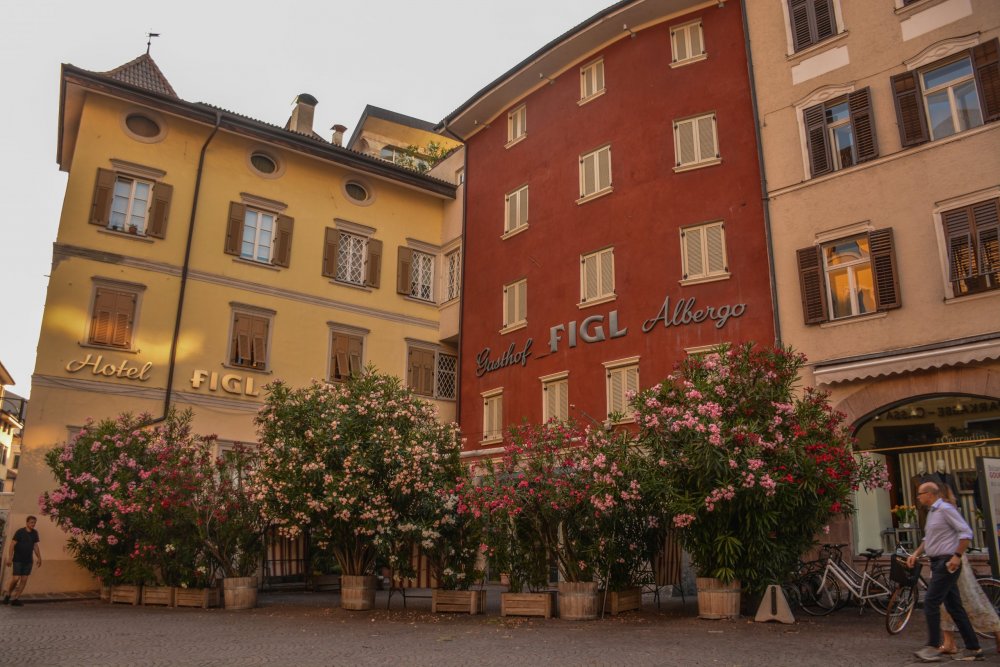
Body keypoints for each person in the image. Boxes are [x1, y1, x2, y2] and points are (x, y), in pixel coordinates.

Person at [907, 482, 983, 662]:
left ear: (930, 494)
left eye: (920, 494)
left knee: (931, 602)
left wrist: (957, 556)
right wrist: (916, 553)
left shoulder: (945, 509)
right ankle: (973, 647)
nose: (918, 497)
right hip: (937, 563)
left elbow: (966, 533)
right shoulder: (932, 512)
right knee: (954, 606)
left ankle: (932, 647)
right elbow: (929, 538)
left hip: (946, 563)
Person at [3, 515, 42, 607]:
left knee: (24, 580)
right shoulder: (20, 532)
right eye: (31, 522)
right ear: (27, 522)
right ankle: (8, 594)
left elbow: (35, 546)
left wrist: (39, 558)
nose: (33, 524)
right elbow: (12, 545)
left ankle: (16, 599)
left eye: (34, 522)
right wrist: (10, 558)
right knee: (16, 579)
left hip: (28, 561)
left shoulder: (35, 533)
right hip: (18, 559)